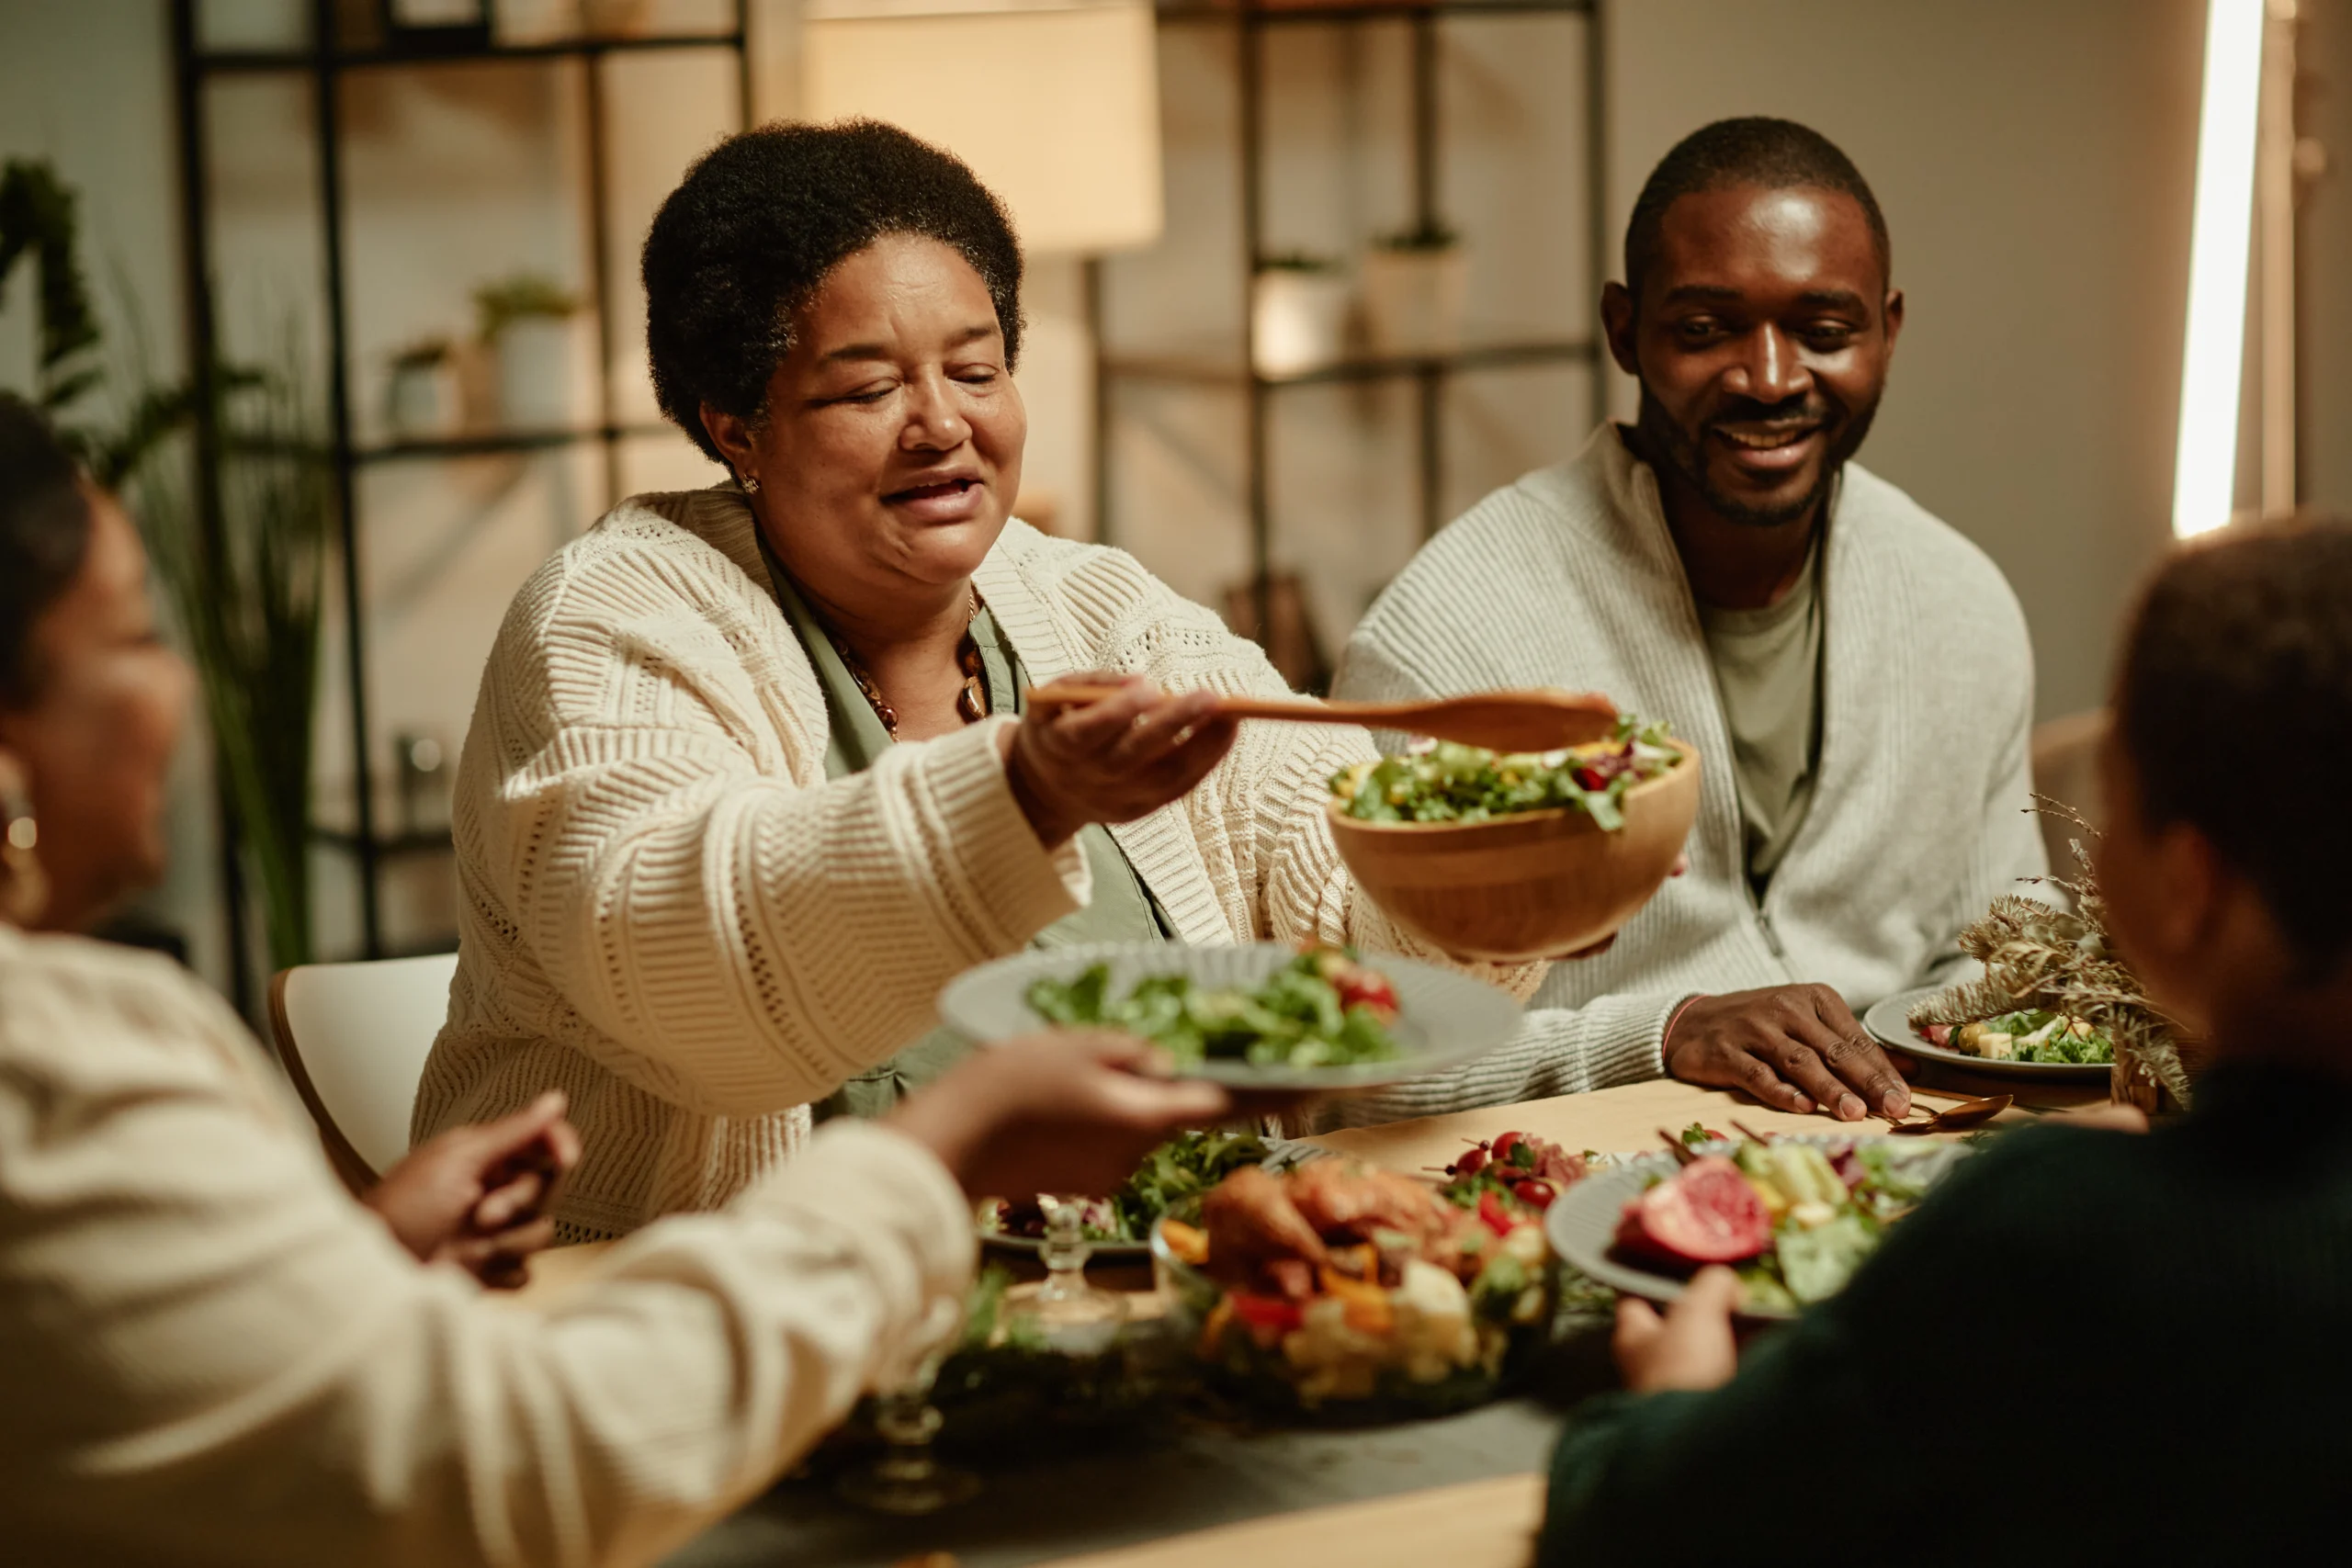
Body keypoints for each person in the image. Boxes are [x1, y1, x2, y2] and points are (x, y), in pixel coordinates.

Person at [0, 390, 1257, 1563]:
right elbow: (519, 1456)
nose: (178, 685)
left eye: (978, 365)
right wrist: (946, 1154)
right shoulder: (54, 1071)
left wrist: (353, 1271)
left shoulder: (1084, 597)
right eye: (137, 634)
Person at [412, 119, 1542, 1238]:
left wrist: (1502, 879)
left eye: (976, 368)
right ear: (736, 429)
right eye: (866, 392)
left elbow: (1344, 910)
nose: (942, 423)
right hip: (731, 1341)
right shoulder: (615, 619)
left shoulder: (1098, 606)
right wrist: (1025, 797)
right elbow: (689, 962)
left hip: (1169, 1292)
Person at [1539, 518, 2352, 1564]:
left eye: (2117, 806)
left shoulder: (2054, 1234)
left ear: (2187, 884)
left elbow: (1633, 1515)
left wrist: (1676, 1393)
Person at [1328, 117, 2045, 1128]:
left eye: (1823, 331)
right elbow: (1354, 1063)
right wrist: (1660, 1033)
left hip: (1910, 1175)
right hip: (1575, 1200)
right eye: (1705, 330)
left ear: (1887, 329)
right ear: (1624, 330)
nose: (1768, 378)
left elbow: (2010, 955)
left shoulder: (1960, 603)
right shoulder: (1448, 637)